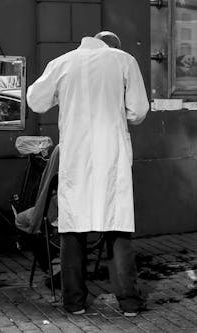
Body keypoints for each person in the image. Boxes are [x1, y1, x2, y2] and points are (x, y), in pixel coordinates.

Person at [26, 31, 148, 316]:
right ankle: (129, 303)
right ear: (112, 45)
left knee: (73, 229)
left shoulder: (63, 63)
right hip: (112, 155)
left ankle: (74, 303)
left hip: (76, 158)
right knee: (117, 227)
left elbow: (35, 100)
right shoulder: (124, 61)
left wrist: (60, 94)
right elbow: (139, 110)